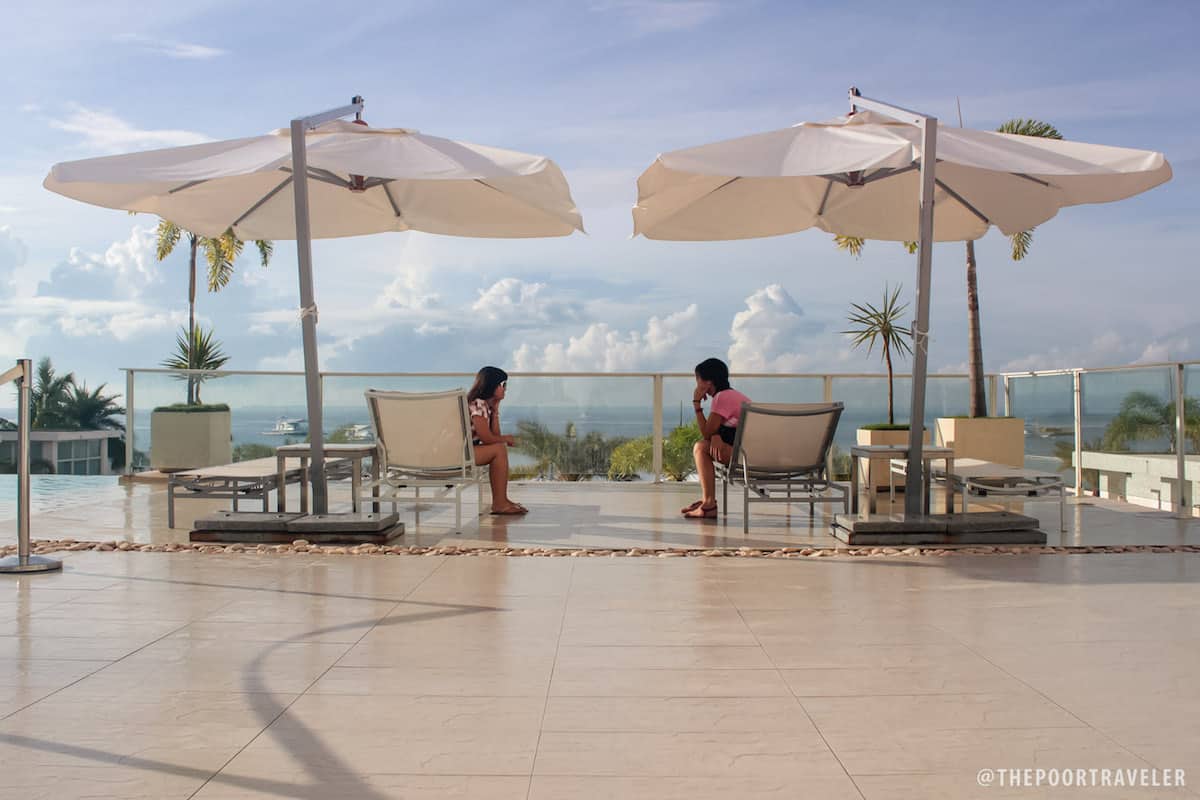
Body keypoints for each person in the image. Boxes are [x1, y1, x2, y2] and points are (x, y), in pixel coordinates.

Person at [681, 358, 751, 519]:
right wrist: (716, 435)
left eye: (697, 379)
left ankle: (709, 504)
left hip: (747, 458)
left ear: (708, 382)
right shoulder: (731, 395)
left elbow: (706, 433)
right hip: (752, 452)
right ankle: (707, 500)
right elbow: (720, 430)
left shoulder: (722, 398)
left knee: (700, 447)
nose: (696, 385)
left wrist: (697, 404)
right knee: (705, 445)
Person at [467, 366, 528, 515]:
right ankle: (500, 503)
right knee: (499, 449)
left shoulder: (484, 405)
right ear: (492, 385)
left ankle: (502, 501)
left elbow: (494, 436)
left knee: (499, 448)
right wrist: (506, 439)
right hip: (458, 454)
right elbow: (486, 438)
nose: (506, 389)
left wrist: (495, 411)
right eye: (503, 385)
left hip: (462, 451)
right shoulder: (478, 404)